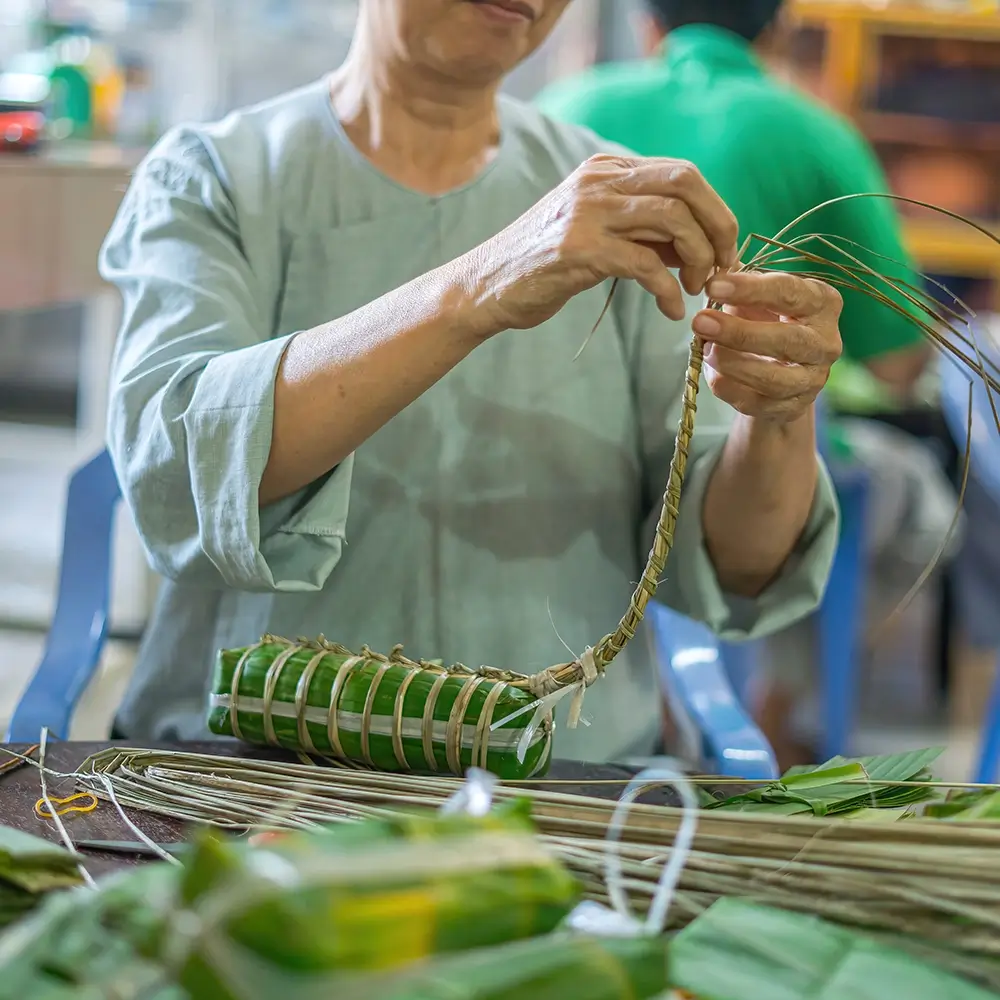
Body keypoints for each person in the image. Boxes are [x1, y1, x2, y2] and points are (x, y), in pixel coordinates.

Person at [99, 0, 842, 762]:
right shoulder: (215, 176)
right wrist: (476, 287)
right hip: (252, 764)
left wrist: (776, 414)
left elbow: (741, 562)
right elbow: (178, 473)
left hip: (556, 777)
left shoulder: (624, 210)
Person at [537, 0, 958, 763]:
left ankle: (714, 697)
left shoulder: (562, 112)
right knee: (923, 505)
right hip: (724, 451)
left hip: (565, 454)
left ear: (649, 27)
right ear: (777, 34)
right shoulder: (810, 127)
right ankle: (779, 706)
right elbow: (901, 364)